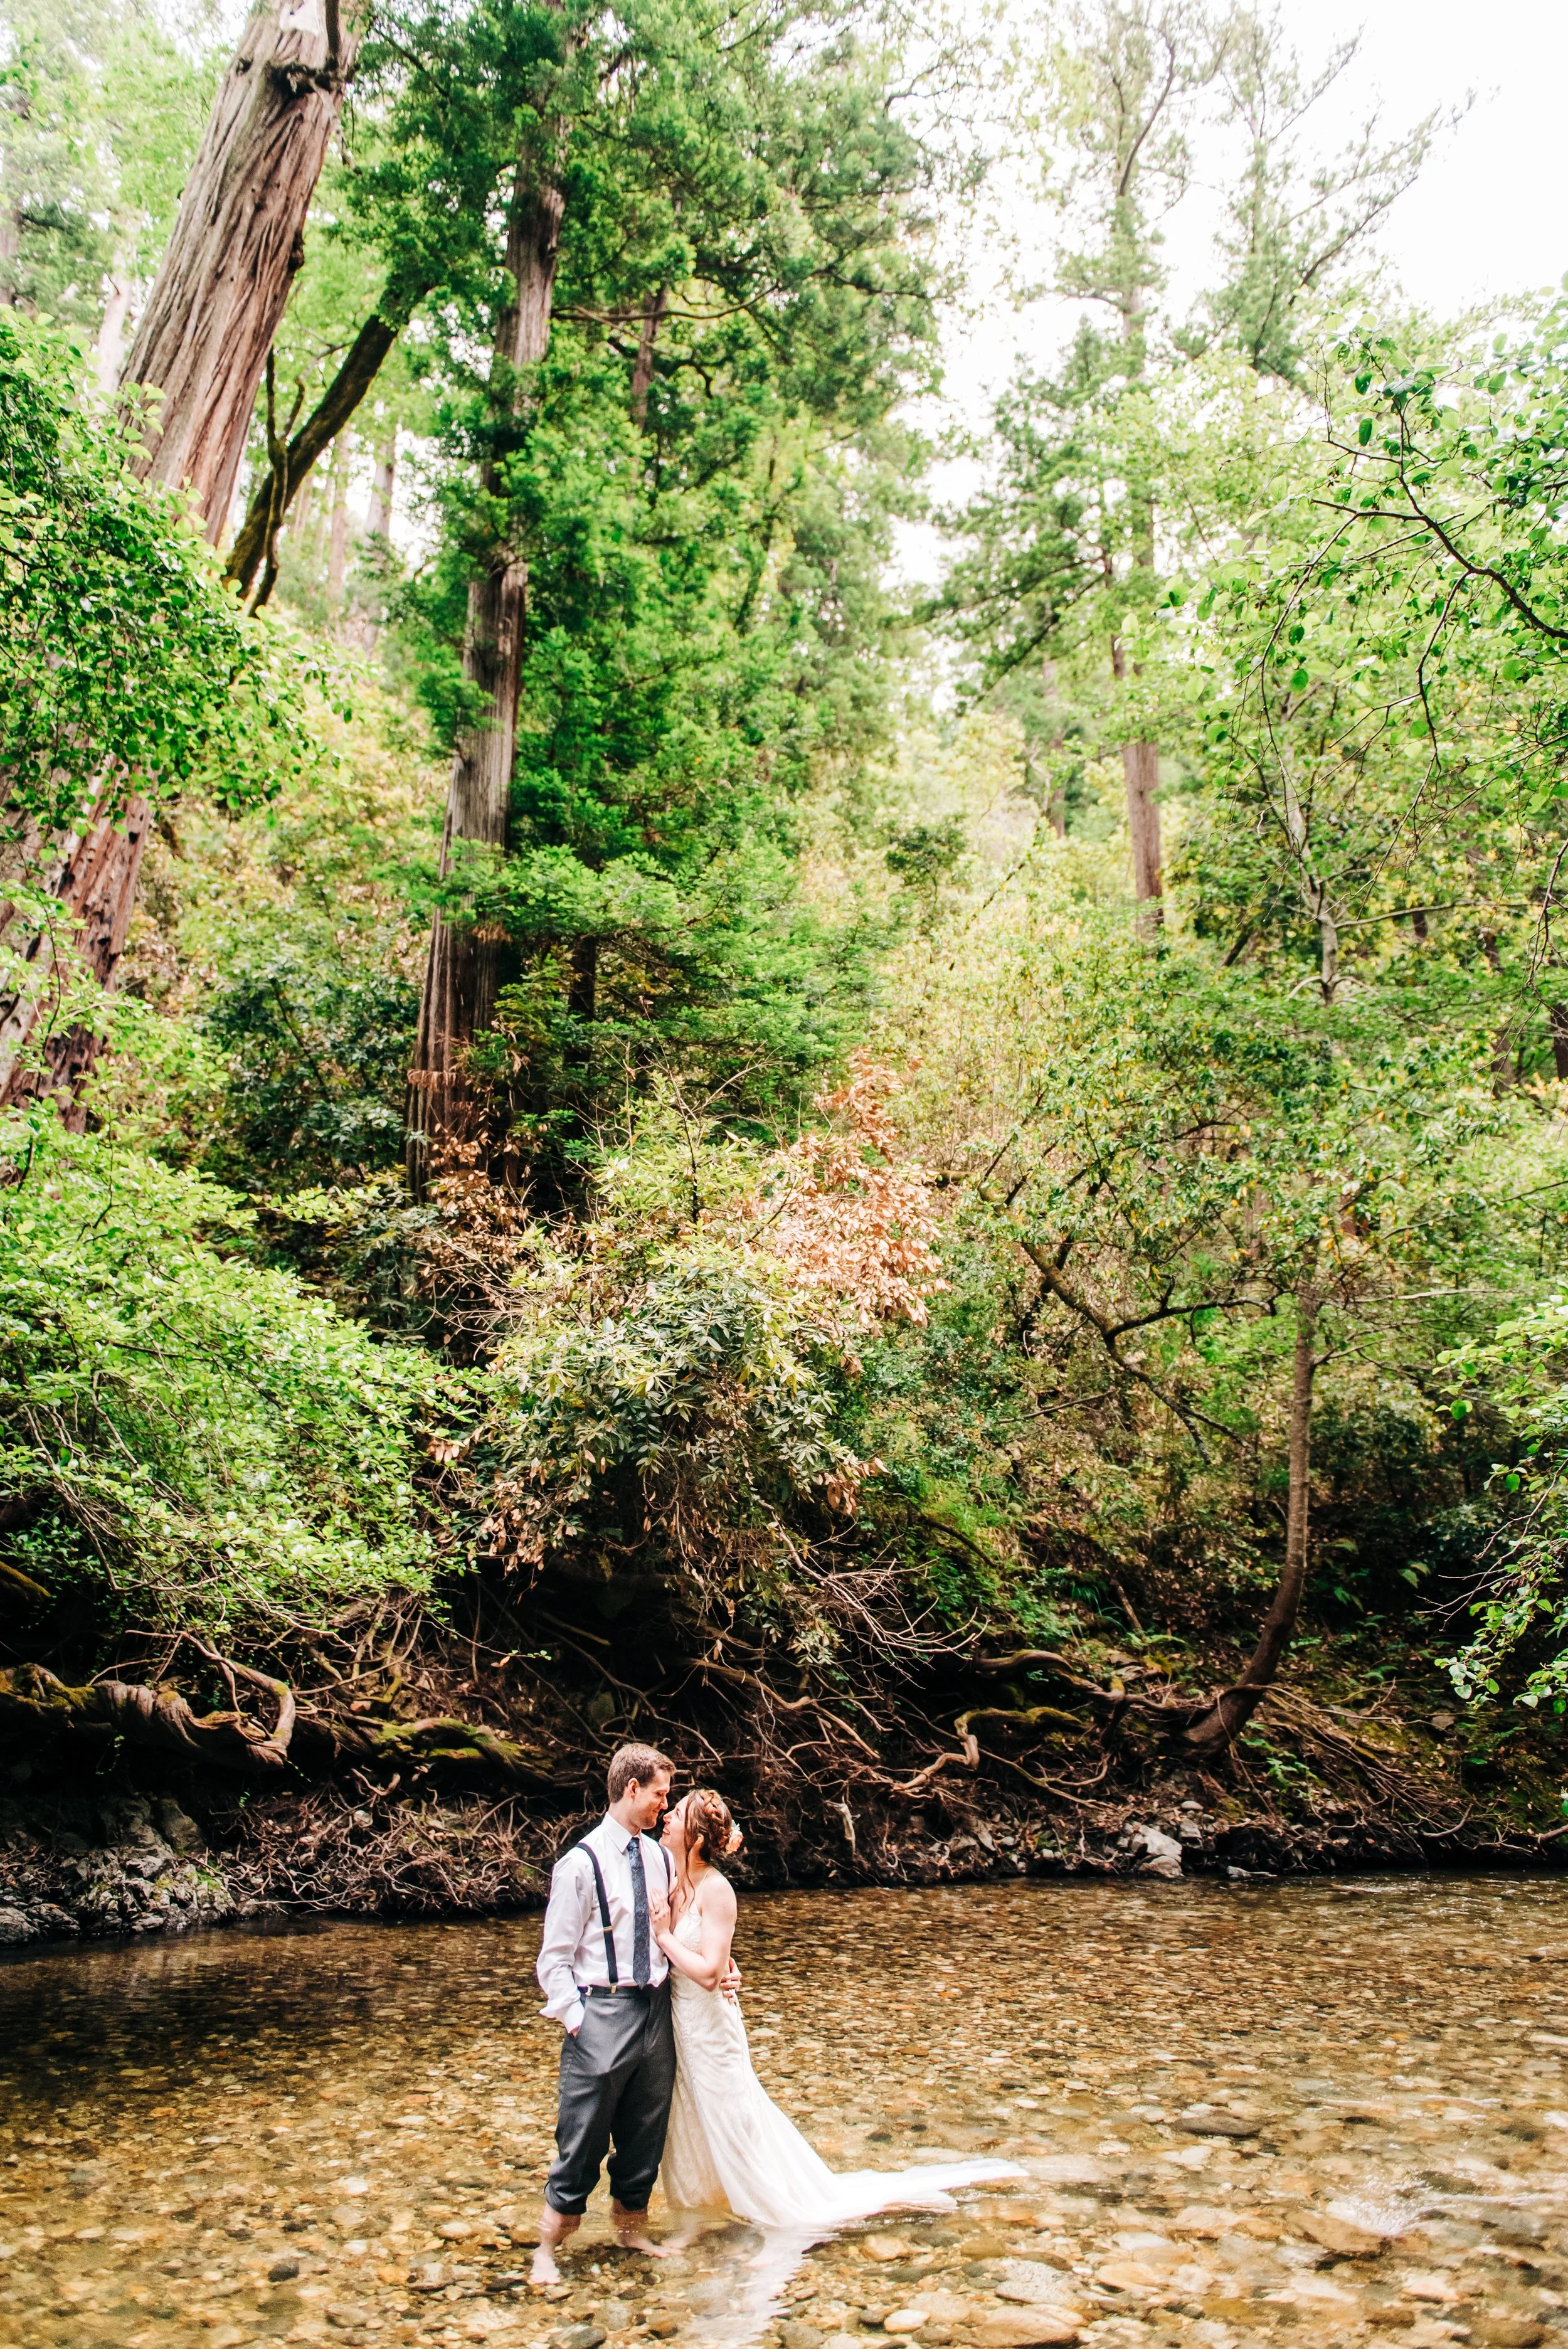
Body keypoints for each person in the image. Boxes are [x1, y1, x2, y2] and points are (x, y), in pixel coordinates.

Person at [655, 1788, 1022, 2228]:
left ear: (695, 1838)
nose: (667, 1817)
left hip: (711, 2025)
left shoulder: (717, 1890)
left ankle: (769, 2213)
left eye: (675, 1814)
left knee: (730, 2113)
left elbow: (712, 1972)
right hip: (681, 2021)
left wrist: (665, 1937)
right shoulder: (673, 1881)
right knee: (690, 2115)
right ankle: (698, 2216)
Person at [531, 1743, 681, 2285]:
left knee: (646, 2130)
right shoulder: (580, 1862)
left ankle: (631, 2231)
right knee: (582, 2135)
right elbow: (554, 1958)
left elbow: (677, 1935)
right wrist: (578, 2019)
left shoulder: (662, 1857)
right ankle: (546, 2248)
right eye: (659, 1794)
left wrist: (723, 1969)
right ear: (632, 1788)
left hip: (656, 2008)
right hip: (602, 2008)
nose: (665, 1807)